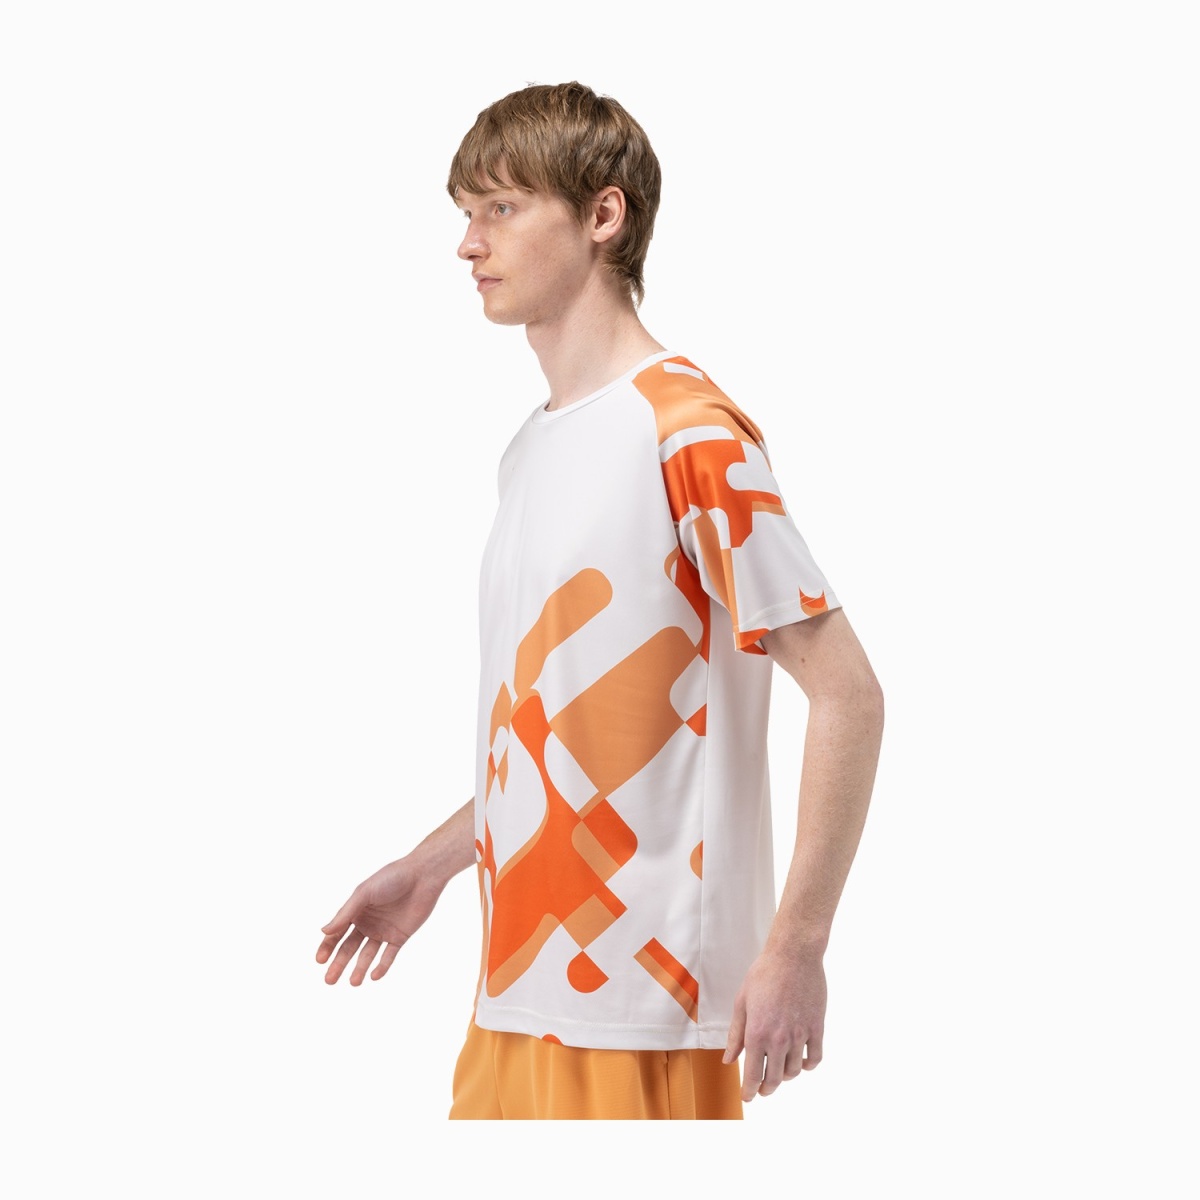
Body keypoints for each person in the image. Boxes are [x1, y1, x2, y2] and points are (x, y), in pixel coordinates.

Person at [316, 81, 884, 1121]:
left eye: (500, 208)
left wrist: (797, 946)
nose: (468, 244)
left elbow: (848, 693)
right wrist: (434, 866)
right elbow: (562, 727)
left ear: (602, 216)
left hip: (643, 1010)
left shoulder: (688, 431)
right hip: (513, 992)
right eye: (467, 212)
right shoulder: (531, 448)